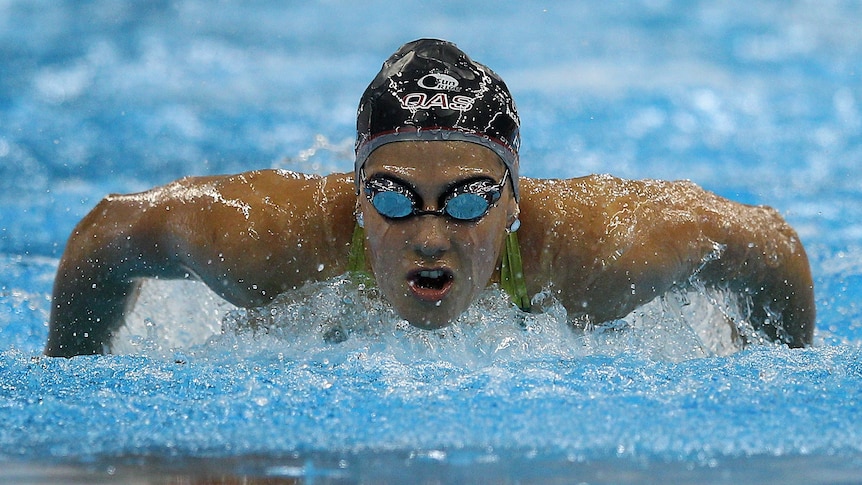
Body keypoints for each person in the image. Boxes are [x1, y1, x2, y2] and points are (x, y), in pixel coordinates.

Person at [44, 39, 815, 357]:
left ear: (514, 203)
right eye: (394, 196)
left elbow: (769, 244)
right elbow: (105, 233)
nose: (432, 233)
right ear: (354, 196)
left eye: (471, 201)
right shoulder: (261, 241)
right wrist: (73, 378)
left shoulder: (598, 255)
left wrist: (760, 358)